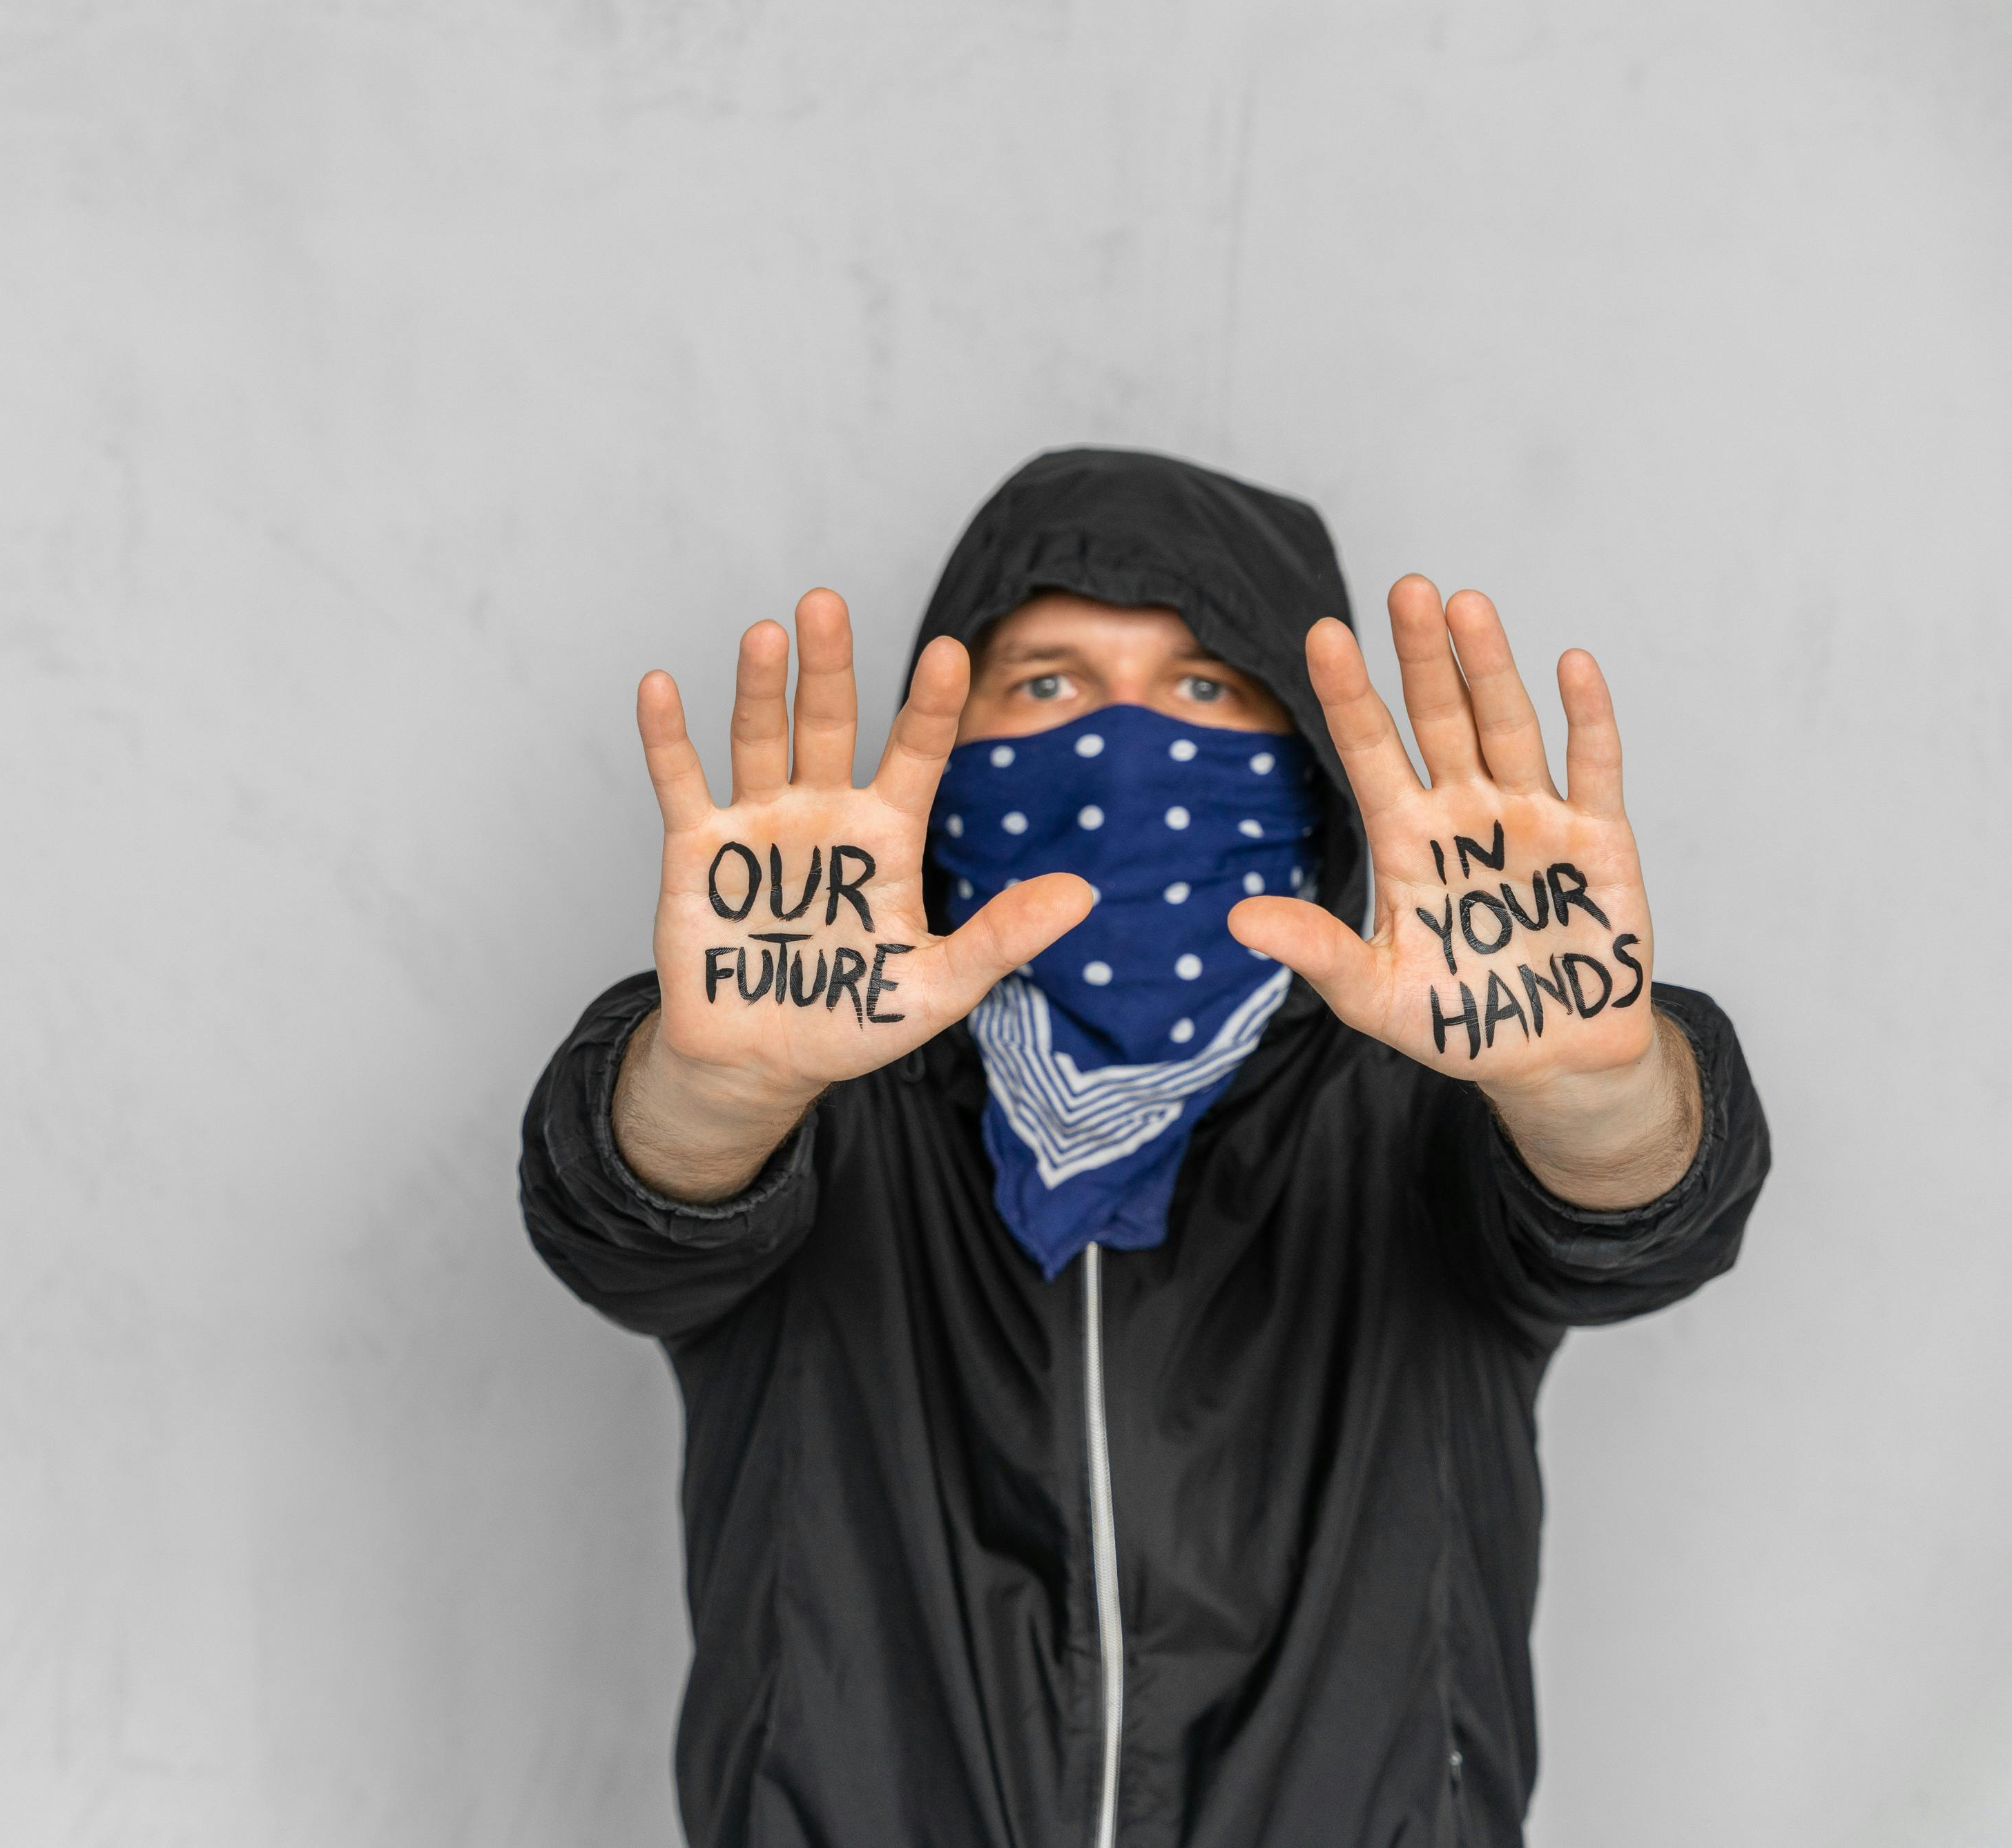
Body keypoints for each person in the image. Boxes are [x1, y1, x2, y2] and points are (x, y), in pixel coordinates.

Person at [517, 448, 1770, 1848]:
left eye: (1201, 689)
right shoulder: (827, 1107)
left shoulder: (1420, 1105)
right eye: (1044, 685)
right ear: (949, 751)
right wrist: (720, 1086)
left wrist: (1586, 1085)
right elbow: (624, 1216)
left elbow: (1637, 1218)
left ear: (1303, 762)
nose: (1119, 746)